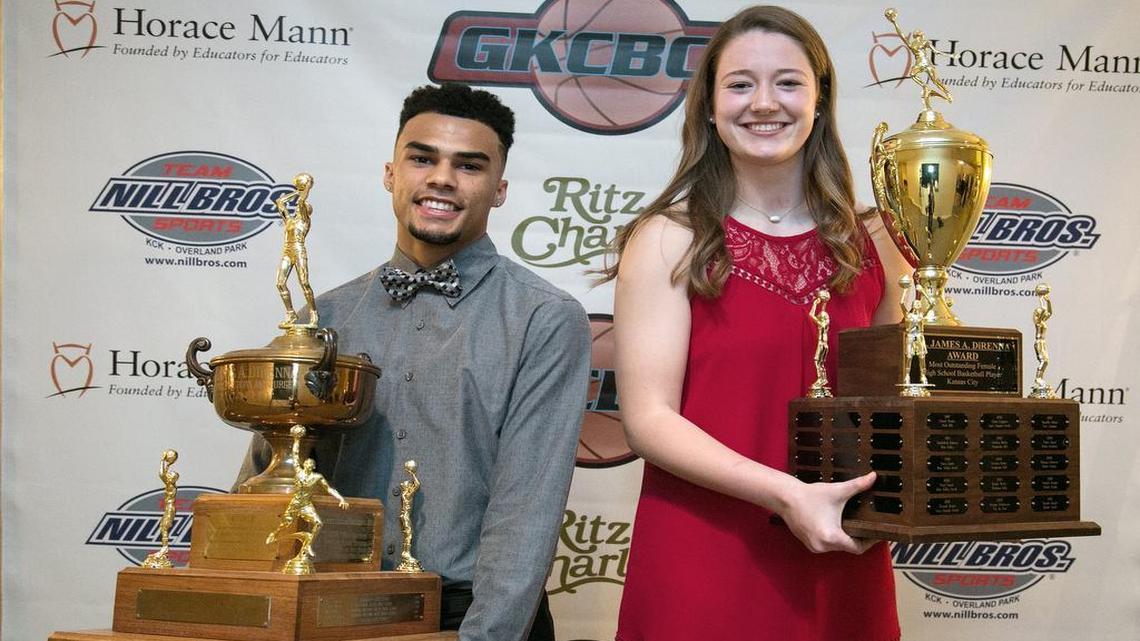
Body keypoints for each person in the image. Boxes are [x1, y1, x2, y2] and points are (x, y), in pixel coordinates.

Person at [599, 6, 910, 640]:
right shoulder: (669, 239)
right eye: (740, 83)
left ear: (820, 101)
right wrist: (787, 494)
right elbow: (649, 420)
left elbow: (890, 402)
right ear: (709, 108)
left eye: (788, 82)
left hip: (840, 551)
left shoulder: (875, 242)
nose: (764, 102)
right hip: (706, 556)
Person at [237, 83, 590, 641]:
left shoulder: (543, 319)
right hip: (330, 606)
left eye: (468, 166)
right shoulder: (319, 317)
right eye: (422, 158)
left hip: (475, 614)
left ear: (499, 190)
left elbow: (526, 509)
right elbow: (265, 477)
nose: (442, 178)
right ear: (390, 173)